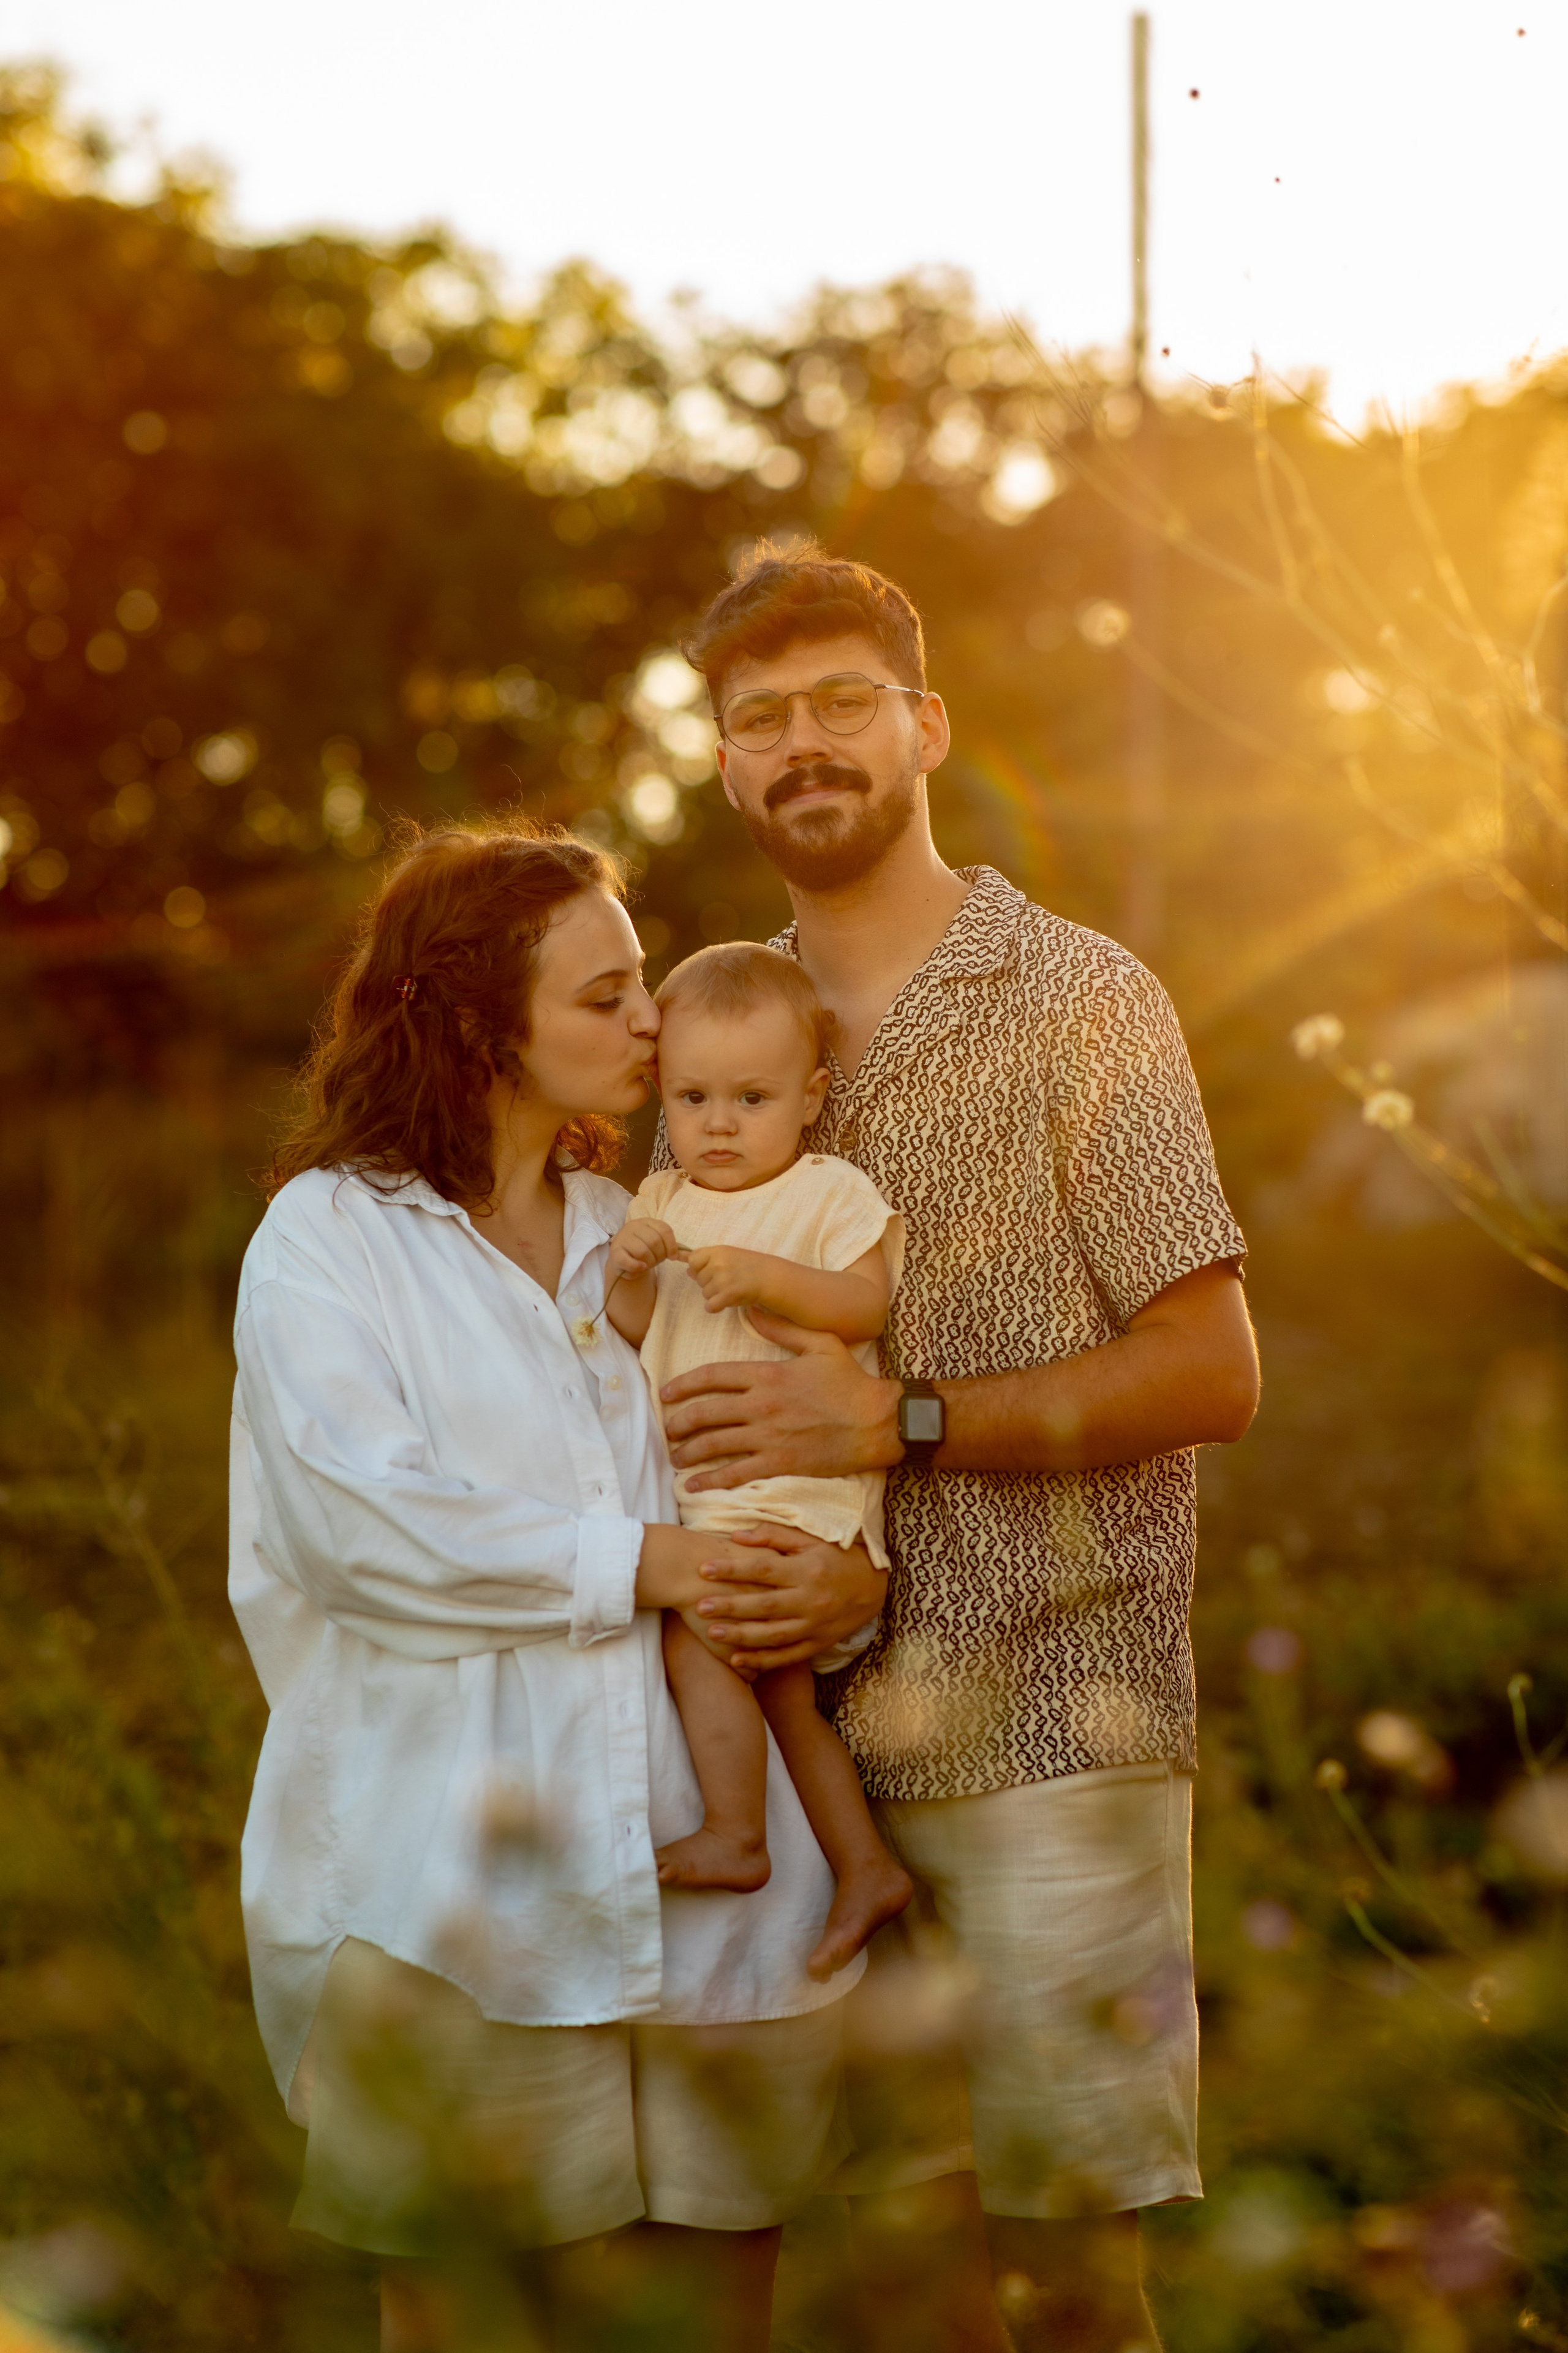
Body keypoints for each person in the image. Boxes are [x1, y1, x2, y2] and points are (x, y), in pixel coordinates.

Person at [651, 545, 1261, 2352]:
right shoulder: (711, 1030)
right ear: (727, 768)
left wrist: (897, 1419)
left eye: (842, 701)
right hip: (797, 1744)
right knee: (895, 2287)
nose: (804, 742)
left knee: (1071, 2282)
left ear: (924, 728)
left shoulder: (1082, 993)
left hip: (1058, 1716)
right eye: (761, 718)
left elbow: (1211, 1367)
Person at [228, 820, 886, 2353]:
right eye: (605, 997)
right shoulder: (331, 1240)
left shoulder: (641, 1236)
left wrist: (841, 1578)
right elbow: (360, 1528)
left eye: (642, 984)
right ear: (477, 1025)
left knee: (711, 2317)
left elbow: (789, 1457)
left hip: (709, 1886)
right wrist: (655, 1562)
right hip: (461, 1899)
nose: (653, 1024)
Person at [605, 940, 913, 1980]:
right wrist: (630, 1267)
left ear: (811, 1096)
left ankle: (739, 1835)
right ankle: (864, 1865)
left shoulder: (830, 1193)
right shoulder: (660, 1200)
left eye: (752, 1097)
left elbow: (863, 1303)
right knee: (780, 1694)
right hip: (713, 1498)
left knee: (697, 1643)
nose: (721, 1125)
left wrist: (766, 1277)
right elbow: (632, 1326)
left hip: (799, 1491)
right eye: (693, 1098)